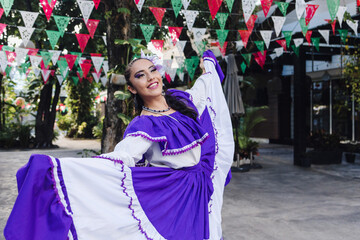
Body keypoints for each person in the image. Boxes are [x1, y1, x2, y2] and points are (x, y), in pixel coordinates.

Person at [4, 50, 234, 240]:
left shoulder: (182, 100)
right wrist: (62, 171)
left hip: (205, 185)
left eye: (153, 70)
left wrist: (209, 66)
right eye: (141, 75)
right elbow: (122, 156)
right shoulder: (144, 124)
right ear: (132, 88)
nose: (151, 77)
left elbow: (205, 87)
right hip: (175, 198)